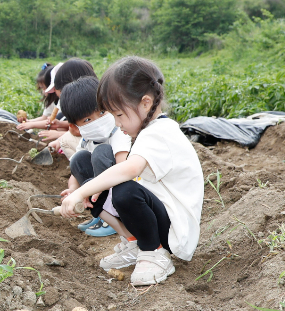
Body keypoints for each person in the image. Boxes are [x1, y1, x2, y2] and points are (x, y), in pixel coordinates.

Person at [61, 56, 203, 286]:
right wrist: (84, 188)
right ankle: (134, 242)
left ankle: (154, 252)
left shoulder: (160, 132)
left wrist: (81, 192)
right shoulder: (148, 131)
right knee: (90, 172)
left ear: (145, 103)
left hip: (175, 231)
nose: (117, 123)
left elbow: (130, 168)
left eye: (118, 115)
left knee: (124, 190)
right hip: (159, 215)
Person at [60, 76, 132, 238]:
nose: (98, 121)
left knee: (101, 153)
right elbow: (74, 174)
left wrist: (93, 188)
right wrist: (73, 189)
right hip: (102, 190)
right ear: (75, 127)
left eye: (101, 112)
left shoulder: (119, 132)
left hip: (124, 190)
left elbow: (123, 168)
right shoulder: (87, 140)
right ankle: (101, 214)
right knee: (79, 159)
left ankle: (115, 216)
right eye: (87, 119)